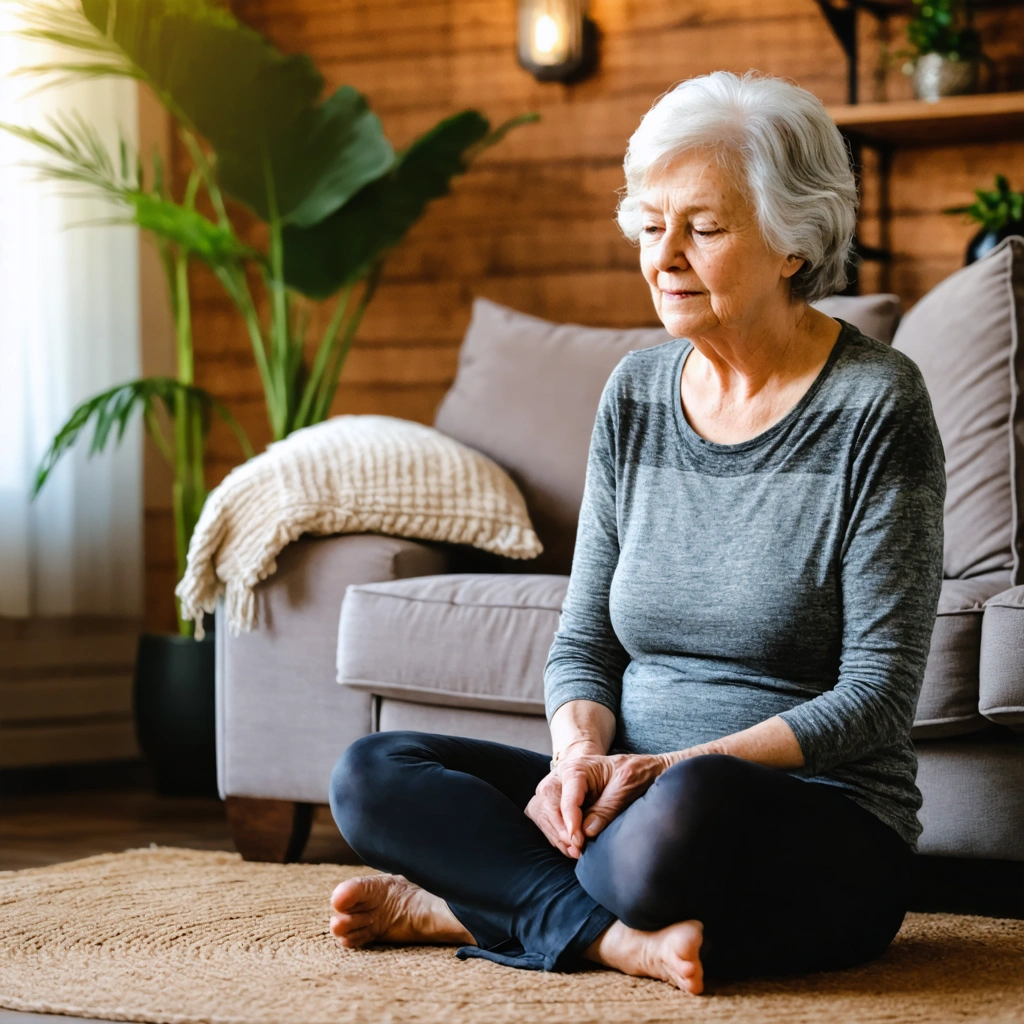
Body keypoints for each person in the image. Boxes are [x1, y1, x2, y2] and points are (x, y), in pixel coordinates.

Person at [326, 70, 945, 994]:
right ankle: (617, 939)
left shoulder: (875, 406)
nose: (665, 257)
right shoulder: (636, 395)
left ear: (793, 242)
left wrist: (660, 771)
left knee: (677, 825)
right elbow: (585, 639)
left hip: (803, 821)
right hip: (625, 800)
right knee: (373, 771)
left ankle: (466, 905)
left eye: (703, 227)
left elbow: (877, 697)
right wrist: (579, 758)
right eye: (652, 227)